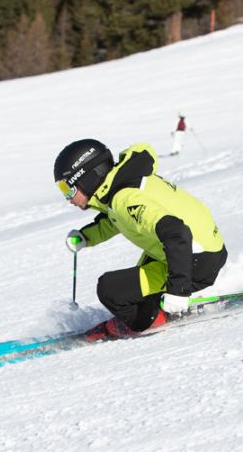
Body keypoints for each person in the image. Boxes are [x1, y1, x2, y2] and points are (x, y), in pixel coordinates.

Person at [54, 138, 227, 340]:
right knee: (132, 290)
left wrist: (178, 291)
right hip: (196, 250)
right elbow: (115, 219)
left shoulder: (124, 199)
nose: (68, 199)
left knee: (110, 290)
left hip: (196, 260)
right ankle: (151, 308)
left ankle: (150, 321)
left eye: (68, 189)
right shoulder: (122, 185)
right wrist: (85, 237)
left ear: (86, 178)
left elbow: (176, 232)